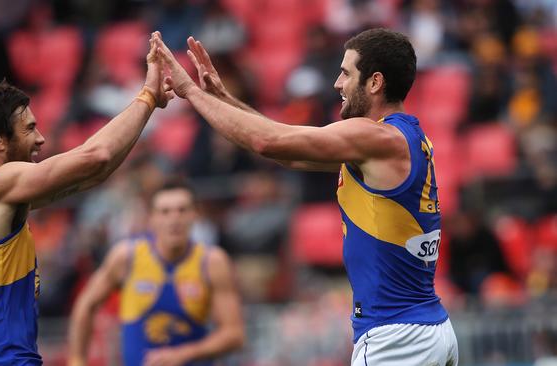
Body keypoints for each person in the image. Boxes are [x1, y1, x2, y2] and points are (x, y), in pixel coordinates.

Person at [155, 28, 459, 365]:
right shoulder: (400, 138)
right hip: (428, 328)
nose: (337, 84)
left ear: (374, 83)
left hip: (395, 335)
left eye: (346, 73)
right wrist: (224, 99)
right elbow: (287, 152)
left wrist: (190, 92)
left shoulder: (374, 136)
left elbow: (267, 142)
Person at [0, 34, 172, 365]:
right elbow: (97, 156)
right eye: (29, 129)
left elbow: (94, 173)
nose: (41, 138)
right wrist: (147, 97)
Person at [68, 179, 244, 366]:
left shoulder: (211, 262)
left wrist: (182, 355)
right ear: (151, 218)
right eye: (165, 212)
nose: (174, 219)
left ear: (195, 215)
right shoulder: (127, 257)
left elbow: (234, 335)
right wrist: (77, 361)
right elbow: (85, 305)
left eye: (182, 210)